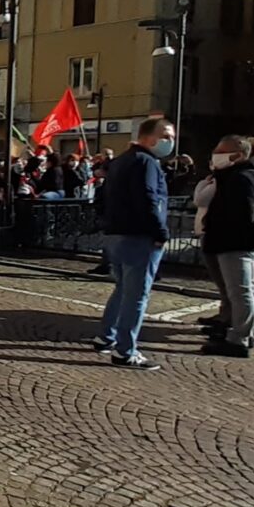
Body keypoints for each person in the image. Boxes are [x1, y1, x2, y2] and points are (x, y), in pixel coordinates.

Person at [94, 117, 175, 371]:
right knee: (136, 295)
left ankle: (106, 336)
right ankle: (125, 351)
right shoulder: (146, 162)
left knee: (122, 289)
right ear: (150, 137)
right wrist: (160, 232)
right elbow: (149, 199)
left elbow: (102, 197)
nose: (170, 141)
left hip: (116, 234)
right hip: (138, 236)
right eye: (167, 136)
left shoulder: (120, 161)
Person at [197, 136, 254, 358]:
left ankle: (239, 338)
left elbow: (245, 215)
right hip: (228, 242)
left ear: (238, 155)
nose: (215, 154)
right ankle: (238, 330)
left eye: (221, 151)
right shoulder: (231, 176)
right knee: (239, 291)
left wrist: (221, 227)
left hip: (235, 243)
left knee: (241, 292)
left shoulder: (243, 178)